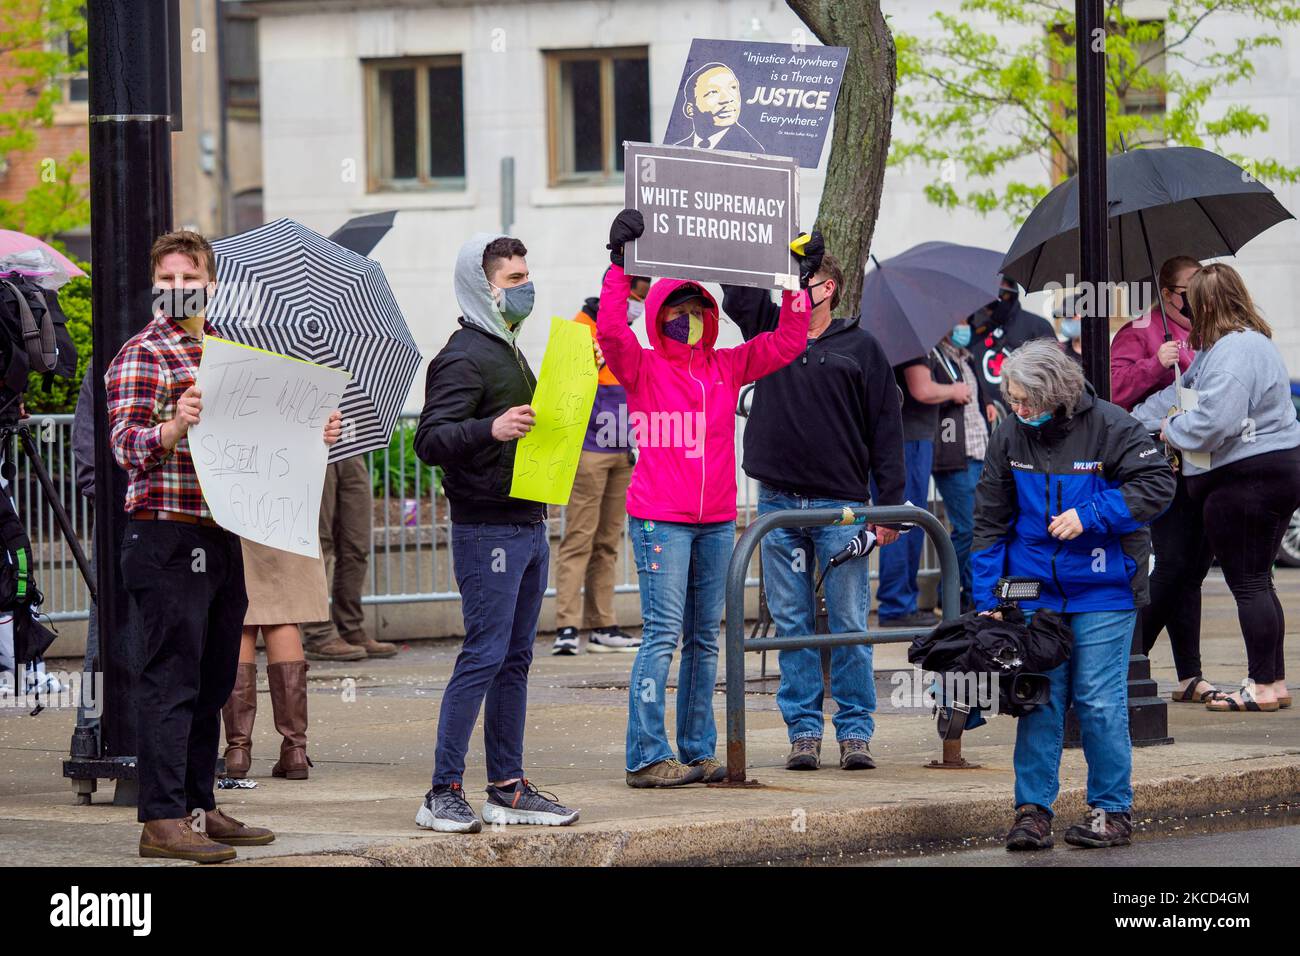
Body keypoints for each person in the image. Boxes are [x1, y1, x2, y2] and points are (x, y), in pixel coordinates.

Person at [599, 209, 809, 788]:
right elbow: (612, 331)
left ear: (711, 316)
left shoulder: (726, 366)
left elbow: (789, 341)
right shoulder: (640, 366)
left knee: (703, 640)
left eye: (697, 310)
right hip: (658, 521)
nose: (688, 318)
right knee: (663, 636)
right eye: (677, 310)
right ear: (661, 313)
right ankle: (646, 755)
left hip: (716, 521)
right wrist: (618, 267)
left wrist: (795, 283)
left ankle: (695, 750)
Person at [106, 229, 275, 863]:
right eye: (168, 278)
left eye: (190, 277)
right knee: (170, 679)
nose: (179, 288)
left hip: (218, 531)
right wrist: (174, 425)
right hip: (165, 533)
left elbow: (261, 442)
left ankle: (200, 804)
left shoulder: (228, 354)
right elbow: (125, 445)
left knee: (211, 681)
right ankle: (161, 820)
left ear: (210, 282)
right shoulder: (143, 353)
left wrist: (311, 429)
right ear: (157, 284)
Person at [973, 339, 1174, 851]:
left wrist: (1091, 516)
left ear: (1056, 394)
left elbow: (1156, 484)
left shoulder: (1112, 426)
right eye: (1013, 399)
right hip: (1035, 592)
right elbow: (989, 520)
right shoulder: (1009, 435)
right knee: (1038, 698)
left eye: (1026, 401)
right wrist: (988, 596)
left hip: (1105, 589)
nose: (1018, 410)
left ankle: (1111, 810)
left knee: (1098, 701)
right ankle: (1032, 811)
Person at [413, 233, 581, 832]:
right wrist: (492, 428)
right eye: (513, 280)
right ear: (482, 287)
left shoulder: (506, 348)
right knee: (483, 656)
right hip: (487, 531)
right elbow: (430, 439)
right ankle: (442, 791)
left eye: (524, 276)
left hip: (525, 524)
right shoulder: (463, 354)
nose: (524, 287)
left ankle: (506, 787)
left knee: (513, 661)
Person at [721, 246, 905, 771]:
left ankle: (854, 731)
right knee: (792, 622)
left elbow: (886, 431)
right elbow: (739, 292)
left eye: (805, 279)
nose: (794, 287)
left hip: (841, 507)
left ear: (829, 290)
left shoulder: (863, 348)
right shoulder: (768, 332)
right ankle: (803, 731)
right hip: (778, 502)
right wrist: (767, 237)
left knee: (848, 620)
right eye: (789, 279)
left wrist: (889, 510)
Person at [1133, 263, 1300, 714]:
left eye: (1192, 301)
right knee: (1258, 582)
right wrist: (1135, 423)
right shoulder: (1231, 347)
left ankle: (1261, 686)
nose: (1186, 310)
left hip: (1248, 478)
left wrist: (1172, 429)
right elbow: (1178, 396)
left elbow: (1213, 421)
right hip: (1265, 471)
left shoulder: (1237, 350)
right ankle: (1272, 682)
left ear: (1207, 303)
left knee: (1248, 584)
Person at [1111, 256, 1216, 703]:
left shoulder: (1206, 333)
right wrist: (1155, 363)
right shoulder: (1137, 332)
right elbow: (1113, 389)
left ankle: (1189, 673)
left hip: (1199, 458)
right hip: (1158, 458)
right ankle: (1129, 660)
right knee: (1171, 563)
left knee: (1192, 567)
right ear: (1167, 294)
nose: (1196, 297)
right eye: (1189, 289)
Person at [551, 279, 650, 656]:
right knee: (579, 538)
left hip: (622, 450)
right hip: (590, 450)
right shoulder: (581, 328)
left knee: (607, 543)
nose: (639, 303)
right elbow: (563, 392)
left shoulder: (629, 333)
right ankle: (567, 625)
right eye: (637, 295)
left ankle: (602, 625)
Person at [222, 534, 339, 782]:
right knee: (284, 615)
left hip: (240, 510)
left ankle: (238, 750)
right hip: (287, 515)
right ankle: (295, 748)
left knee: (242, 618)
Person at [874, 350, 970, 627]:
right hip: (910, 439)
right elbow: (922, 389)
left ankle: (900, 601)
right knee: (902, 522)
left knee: (903, 521)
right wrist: (954, 390)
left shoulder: (908, 341)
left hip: (908, 438)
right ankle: (896, 604)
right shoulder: (913, 344)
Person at [303, 457, 396, 662]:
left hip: (351, 442)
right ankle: (318, 632)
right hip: (314, 441)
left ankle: (350, 627)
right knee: (318, 543)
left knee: (356, 544)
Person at [931, 323, 991, 613]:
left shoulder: (966, 357)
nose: (963, 326)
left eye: (966, 320)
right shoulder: (934, 356)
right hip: (954, 455)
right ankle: (948, 593)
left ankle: (968, 596)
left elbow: (976, 399)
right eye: (956, 321)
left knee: (976, 528)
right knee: (967, 528)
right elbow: (929, 398)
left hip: (979, 450)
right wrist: (951, 392)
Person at [967, 275, 1057, 411]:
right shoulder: (973, 329)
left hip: (1027, 415)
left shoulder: (1037, 326)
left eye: (1001, 287)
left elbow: (1053, 376)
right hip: (985, 417)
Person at [671, 62, 766, 153]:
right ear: (690, 110)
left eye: (733, 87)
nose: (728, 98)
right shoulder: (677, 149)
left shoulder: (750, 150)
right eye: (713, 92)